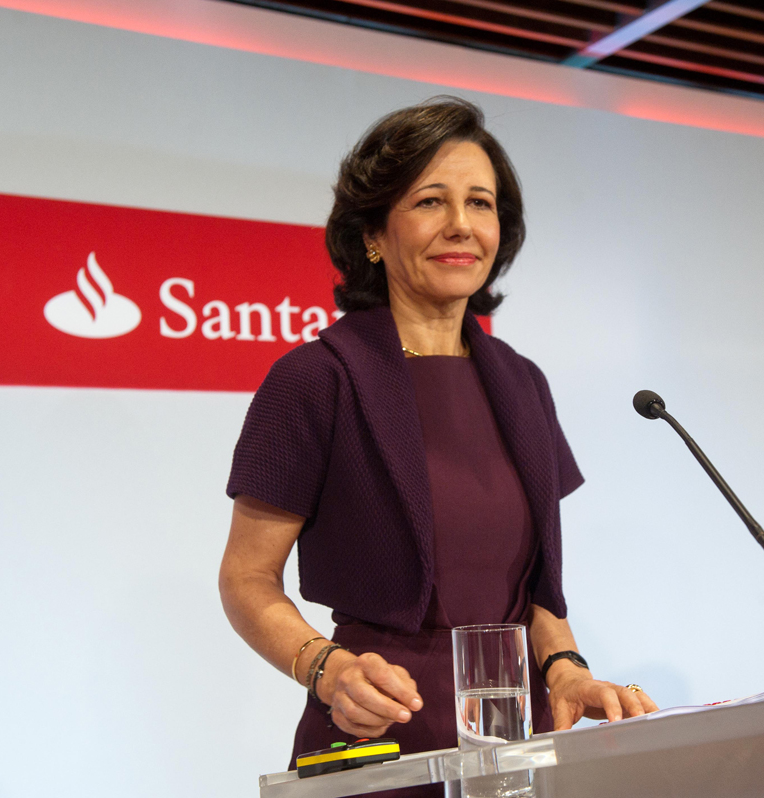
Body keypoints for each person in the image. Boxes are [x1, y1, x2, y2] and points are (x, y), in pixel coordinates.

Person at [218, 97, 657, 789]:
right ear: (373, 232)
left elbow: (538, 592)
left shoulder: (522, 383)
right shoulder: (315, 379)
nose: (461, 225)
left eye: (480, 203)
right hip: (377, 734)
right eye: (430, 201)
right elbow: (246, 579)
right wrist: (327, 670)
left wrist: (566, 670)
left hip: (514, 741)